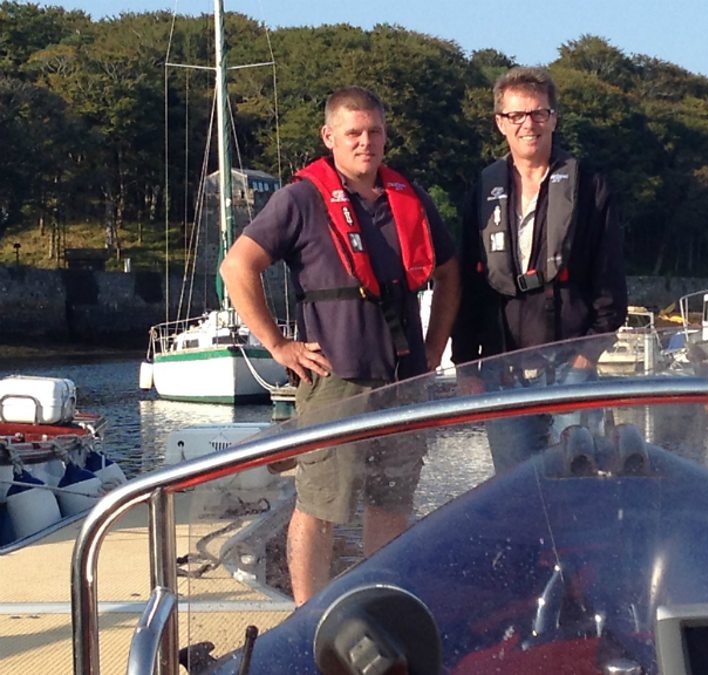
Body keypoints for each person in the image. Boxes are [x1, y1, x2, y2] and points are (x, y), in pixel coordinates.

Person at [220, 85, 460, 606]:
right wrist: (278, 345)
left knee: (392, 502)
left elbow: (449, 273)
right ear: (329, 136)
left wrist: (435, 345)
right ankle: (308, 616)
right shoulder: (300, 199)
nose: (365, 142)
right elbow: (237, 267)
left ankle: (381, 605)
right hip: (335, 380)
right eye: (354, 133)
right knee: (320, 504)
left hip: (404, 379)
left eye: (374, 131)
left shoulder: (409, 198)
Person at [452, 66, 626, 472]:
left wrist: (587, 355)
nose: (528, 124)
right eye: (516, 115)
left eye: (538, 114)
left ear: (554, 119)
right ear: (500, 123)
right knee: (516, 486)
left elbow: (610, 276)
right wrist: (466, 364)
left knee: (578, 480)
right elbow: (468, 285)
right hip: (503, 369)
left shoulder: (590, 187)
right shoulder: (483, 191)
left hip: (572, 363)